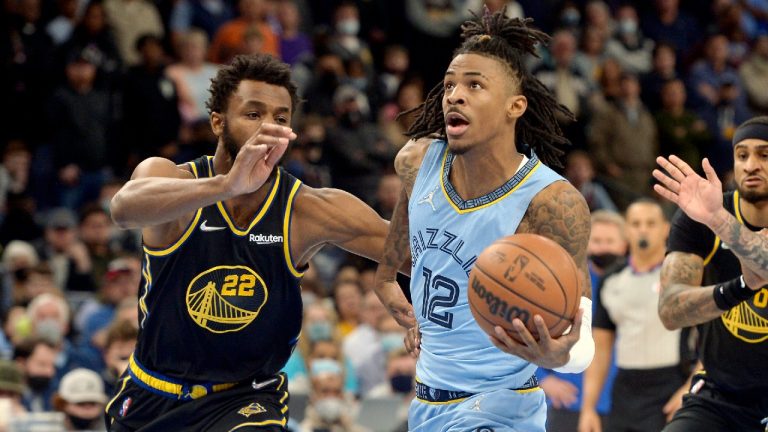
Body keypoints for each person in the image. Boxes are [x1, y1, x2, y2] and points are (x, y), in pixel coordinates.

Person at [105, 53, 398, 431]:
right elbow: (123, 208)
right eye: (254, 114)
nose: (270, 128)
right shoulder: (170, 177)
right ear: (217, 122)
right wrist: (226, 186)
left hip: (246, 397)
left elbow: (411, 253)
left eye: (281, 118)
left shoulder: (307, 208)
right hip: (151, 394)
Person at [374, 10, 594, 431]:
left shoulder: (552, 202)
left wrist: (560, 356)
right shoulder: (414, 161)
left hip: (501, 406)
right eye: (451, 84)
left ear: (516, 106)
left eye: (475, 85)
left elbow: (581, 341)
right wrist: (398, 298)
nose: (455, 95)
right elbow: (393, 267)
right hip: (427, 403)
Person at [652, 116, 768, 431]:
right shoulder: (698, 218)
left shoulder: (713, 216)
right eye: (742, 155)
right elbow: (670, 312)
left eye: (764, 155)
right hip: (721, 397)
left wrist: (717, 219)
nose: (751, 165)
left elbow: (766, 265)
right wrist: (739, 288)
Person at [580, 199, 687, 432]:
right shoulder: (611, 281)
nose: (643, 229)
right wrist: (588, 407)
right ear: (626, 230)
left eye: (651, 223)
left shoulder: (683, 275)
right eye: (636, 223)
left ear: (665, 228)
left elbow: (711, 339)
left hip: (671, 384)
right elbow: (600, 349)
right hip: (626, 389)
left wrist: (689, 387)